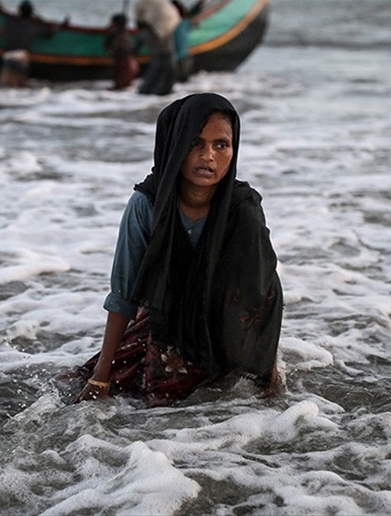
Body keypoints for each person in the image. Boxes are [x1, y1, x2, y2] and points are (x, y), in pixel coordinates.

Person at [70, 93, 284, 406]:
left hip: (225, 323)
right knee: (144, 401)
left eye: (220, 145)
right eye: (195, 143)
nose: (208, 156)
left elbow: (262, 293)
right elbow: (124, 294)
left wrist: (268, 369)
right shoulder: (147, 205)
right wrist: (101, 375)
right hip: (165, 318)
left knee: (236, 403)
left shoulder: (243, 209)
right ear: (174, 145)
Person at [0, 0, 54, 87]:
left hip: (8, 57)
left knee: (4, 87)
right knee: (20, 89)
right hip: (22, 57)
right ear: (31, 12)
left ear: (20, 10)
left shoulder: (10, 21)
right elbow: (48, 34)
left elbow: (5, 16)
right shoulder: (34, 26)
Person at [104, 13, 137, 91]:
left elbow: (110, 47)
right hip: (125, 62)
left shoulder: (121, 36)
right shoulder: (121, 34)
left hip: (125, 63)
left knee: (121, 86)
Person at [170, 0, 194, 83]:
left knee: (179, 80)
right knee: (183, 80)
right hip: (183, 55)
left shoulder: (172, 24)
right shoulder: (184, 23)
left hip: (177, 56)